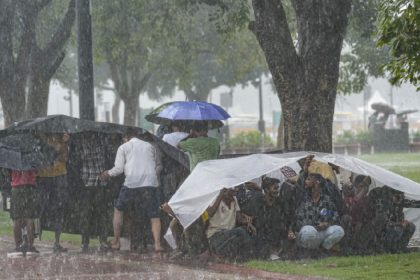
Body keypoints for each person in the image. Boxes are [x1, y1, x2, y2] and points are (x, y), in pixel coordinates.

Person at [101, 128, 163, 253]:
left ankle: (116, 241)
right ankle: (157, 244)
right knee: (154, 215)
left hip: (131, 183)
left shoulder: (123, 147)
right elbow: (156, 164)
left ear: (125, 137)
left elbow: (118, 169)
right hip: (150, 183)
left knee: (119, 210)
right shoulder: (150, 146)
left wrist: (107, 173)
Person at [72, 133, 110, 252]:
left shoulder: (84, 144)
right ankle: (93, 241)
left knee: (92, 214)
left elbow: (81, 158)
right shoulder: (101, 143)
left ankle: (90, 241)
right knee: (94, 214)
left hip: (92, 182)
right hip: (93, 182)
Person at [242, 177, 295, 259]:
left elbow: (287, 219)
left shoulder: (280, 202)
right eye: (275, 188)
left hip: (277, 234)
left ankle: (277, 252)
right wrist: (249, 222)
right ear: (266, 190)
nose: (277, 191)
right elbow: (246, 215)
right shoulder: (257, 202)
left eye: (278, 188)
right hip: (260, 234)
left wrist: (290, 230)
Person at [294, 173, 344, 255]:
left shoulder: (326, 199)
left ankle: (323, 249)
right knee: (309, 232)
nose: (306, 181)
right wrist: (316, 226)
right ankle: (309, 252)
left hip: (322, 232)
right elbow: (300, 221)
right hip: (308, 232)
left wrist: (327, 224)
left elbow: (334, 215)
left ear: (317, 183)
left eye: (309, 179)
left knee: (339, 231)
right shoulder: (303, 198)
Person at [37, 132, 70, 253]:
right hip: (45, 177)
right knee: (40, 208)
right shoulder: (42, 138)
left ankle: (56, 242)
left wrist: (64, 144)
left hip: (59, 177)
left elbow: (65, 158)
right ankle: (30, 237)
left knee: (58, 210)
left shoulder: (62, 142)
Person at [205, 188, 255, 261]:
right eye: (233, 189)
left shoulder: (234, 199)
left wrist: (247, 222)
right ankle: (251, 256)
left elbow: (238, 218)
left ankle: (244, 256)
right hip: (215, 235)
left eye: (235, 189)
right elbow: (210, 213)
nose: (236, 190)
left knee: (246, 230)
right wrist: (220, 196)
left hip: (229, 234)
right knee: (240, 231)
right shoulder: (215, 198)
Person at [9, 169, 40, 254]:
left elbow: (7, 173)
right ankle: (30, 246)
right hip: (30, 188)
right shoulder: (31, 157)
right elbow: (37, 173)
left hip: (16, 188)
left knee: (17, 219)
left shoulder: (12, 158)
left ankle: (18, 246)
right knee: (29, 218)